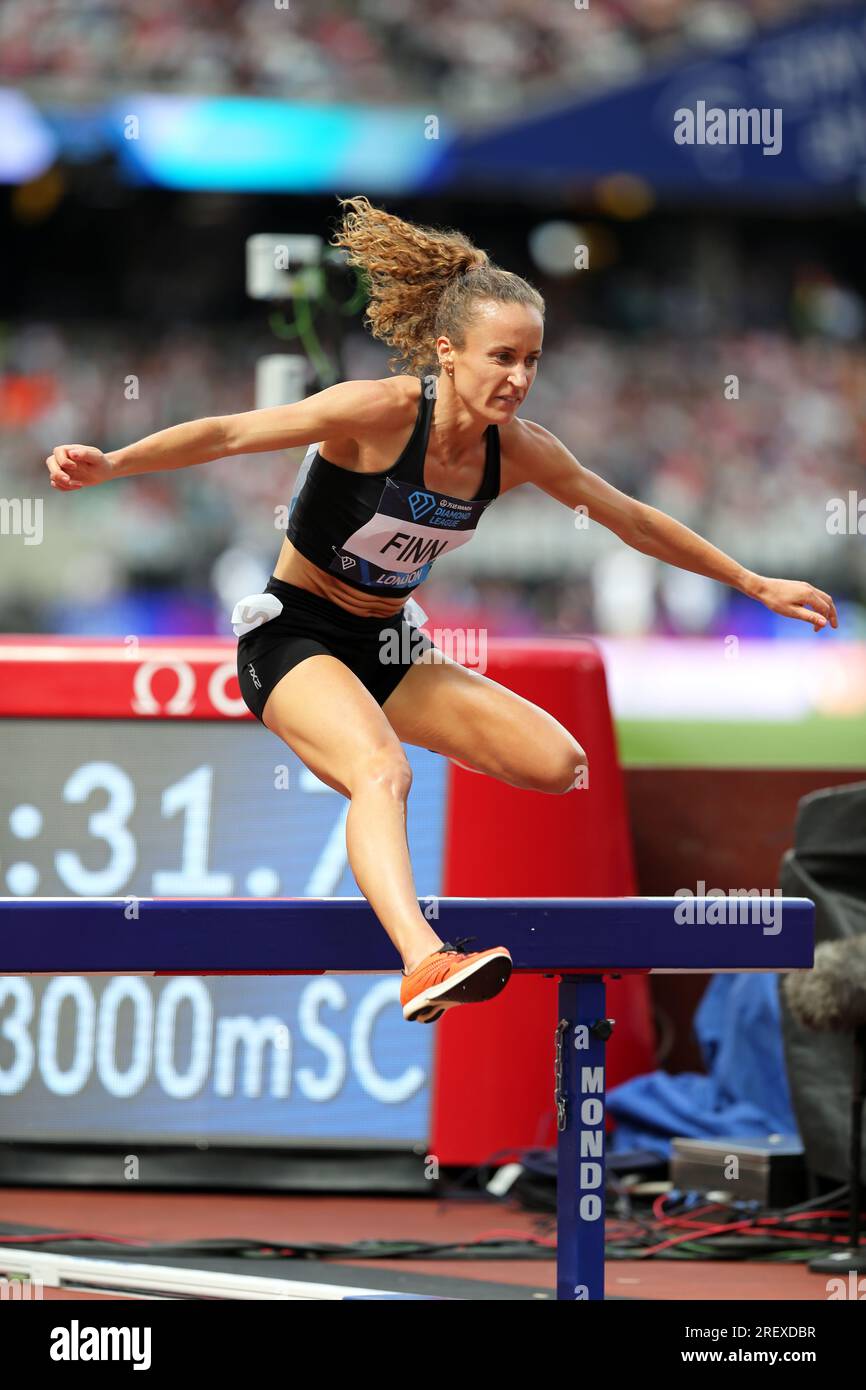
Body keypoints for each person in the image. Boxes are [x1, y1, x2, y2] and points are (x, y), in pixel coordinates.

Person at [45, 195, 838, 1023]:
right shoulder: (379, 413)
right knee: (382, 772)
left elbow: (632, 518)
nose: (519, 379)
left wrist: (753, 583)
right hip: (291, 637)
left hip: (388, 649)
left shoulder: (521, 451)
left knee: (557, 764)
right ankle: (422, 958)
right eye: (502, 357)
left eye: (532, 360)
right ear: (446, 352)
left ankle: (359, 750)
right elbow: (230, 433)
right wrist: (113, 462)